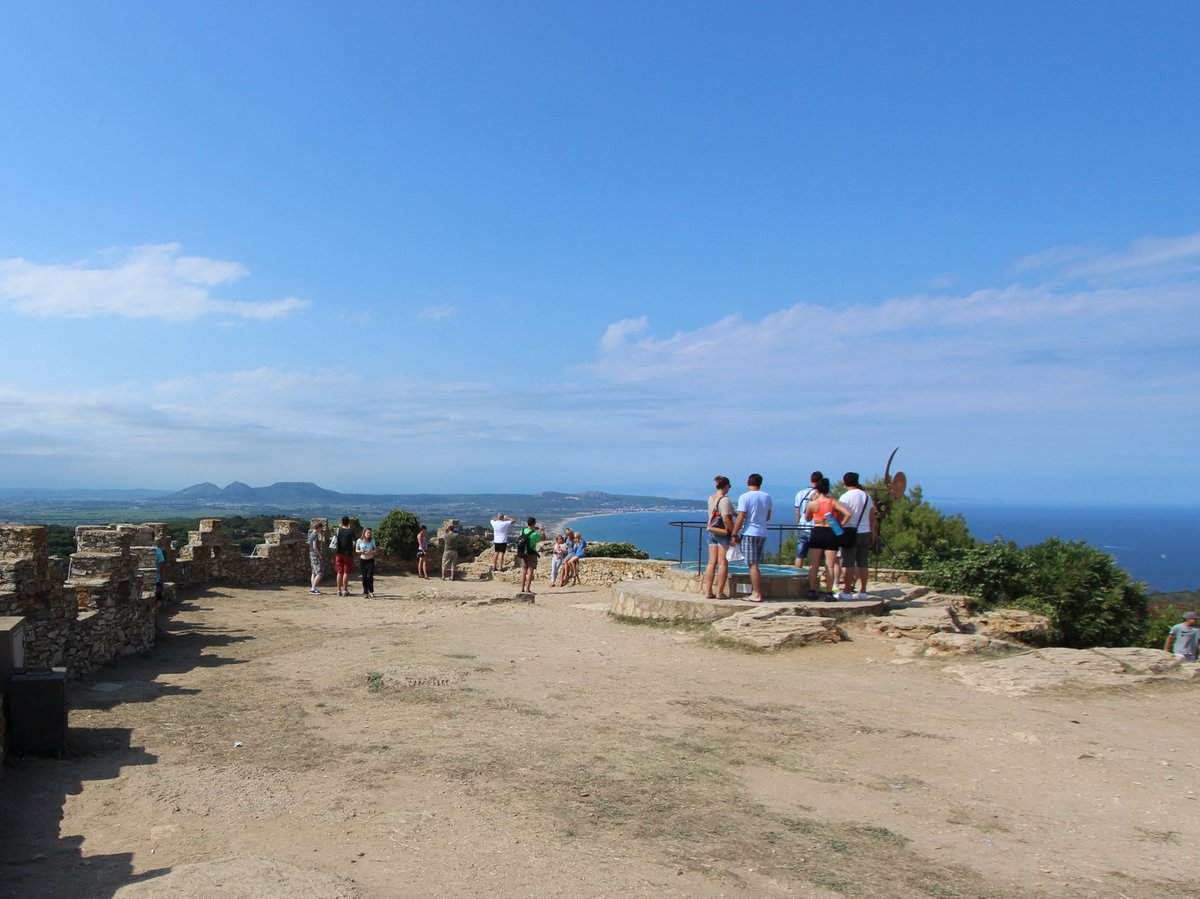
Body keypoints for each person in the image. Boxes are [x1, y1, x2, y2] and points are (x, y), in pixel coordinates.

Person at [804, 478, 851, 599]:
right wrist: (841, 524)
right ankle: (829, 593)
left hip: (817, 531)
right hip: (831, 532)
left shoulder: (812, 503)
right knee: (829, 565)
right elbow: (848, 514)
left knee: (813, 565)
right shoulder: (832, 502)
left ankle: (812, 591)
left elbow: (808, 518)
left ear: (817, 490)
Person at [730, 473, 772, 602]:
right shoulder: (767, 496)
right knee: (756, 563)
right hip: (762, 532)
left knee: (752, 564)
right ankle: (756, 592)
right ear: (760, 483)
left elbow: (741, 517)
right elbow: (768, 516)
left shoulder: (745, 497)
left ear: (748, 483)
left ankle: (756, 593)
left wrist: (734, 533)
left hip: (749, 532)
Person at [836, 472, 876, 601]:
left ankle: (847, 591)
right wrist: (873, 533)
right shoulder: (867, 497)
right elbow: (871, 517)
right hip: (866, 532)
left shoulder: (845, 497)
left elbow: (842, 516)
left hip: (850, 532)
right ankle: (863, 591)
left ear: (845, 482)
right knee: (863, 563)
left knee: (848, 563)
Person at [703, 475, 735, 599]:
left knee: (711, 563)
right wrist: (734, 533)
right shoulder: (725, 500)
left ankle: (708, 591)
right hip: (722, 533)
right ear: (726, 486)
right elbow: (726, 519)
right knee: (722, 564)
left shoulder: (711, 498)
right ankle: (720, 592)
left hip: (711, 531)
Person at [794, 471, 822, 570]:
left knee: (799, 555)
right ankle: (812, 577)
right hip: (816, 527)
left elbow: (797, 511)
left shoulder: (800, 493)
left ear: (811, 480)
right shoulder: (820, 494)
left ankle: (796, 576)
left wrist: (797, 525)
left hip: (803, 526)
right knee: (814, 557)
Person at [517, 517, 545, 593]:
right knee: (530, 571)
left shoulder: (522, 531)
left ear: (527, 523)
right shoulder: (535, 534)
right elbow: (543, 539)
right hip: (532, 554)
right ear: (534, 524)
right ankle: (528, 589)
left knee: (523, 571)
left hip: (523, 553)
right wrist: (542, 532)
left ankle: (522, 588)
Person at [334, 516, 357, 596]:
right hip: (348, 554)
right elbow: (354, 544)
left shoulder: (338, 530)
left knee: (339, 572)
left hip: (338, 553)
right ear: (348, 523)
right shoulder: (351, 531)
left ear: (342, 522)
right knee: (346, 572)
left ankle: (338, 590)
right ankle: (345, 590)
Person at [356, 527, 377, 598]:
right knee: (364, 577)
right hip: (363, 561)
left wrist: (371, 551)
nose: (369, 534)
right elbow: (356, 550)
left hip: (370, 560)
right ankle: (365, 592)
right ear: (364, 533)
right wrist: (361, 551)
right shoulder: (359, 540)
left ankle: (371, 591)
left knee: (370, 576)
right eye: (368, 532)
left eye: (370, 533)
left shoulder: (372, 540)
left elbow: (375, 550)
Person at [307, 521, 326, 595]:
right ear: (319, 528)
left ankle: (313, 587)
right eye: (321, 528)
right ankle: (313, 589)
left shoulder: (311, 534)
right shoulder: (315, 535)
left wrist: (321, 536)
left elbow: (319, 543)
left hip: (311, 554)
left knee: (314, 572)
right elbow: (315, 546)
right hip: (315, 555)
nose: (321, 530)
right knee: (320, 573)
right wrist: (319, 555)